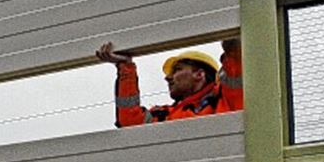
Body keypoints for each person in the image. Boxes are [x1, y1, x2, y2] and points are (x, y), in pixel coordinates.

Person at [95, 39, 242, 127]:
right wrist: (125, 66)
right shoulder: (164, 115)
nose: (168, 78)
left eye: (177, 70)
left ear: (199, 74)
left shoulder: (226, 98)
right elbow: (129, 121)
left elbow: (236, 55)